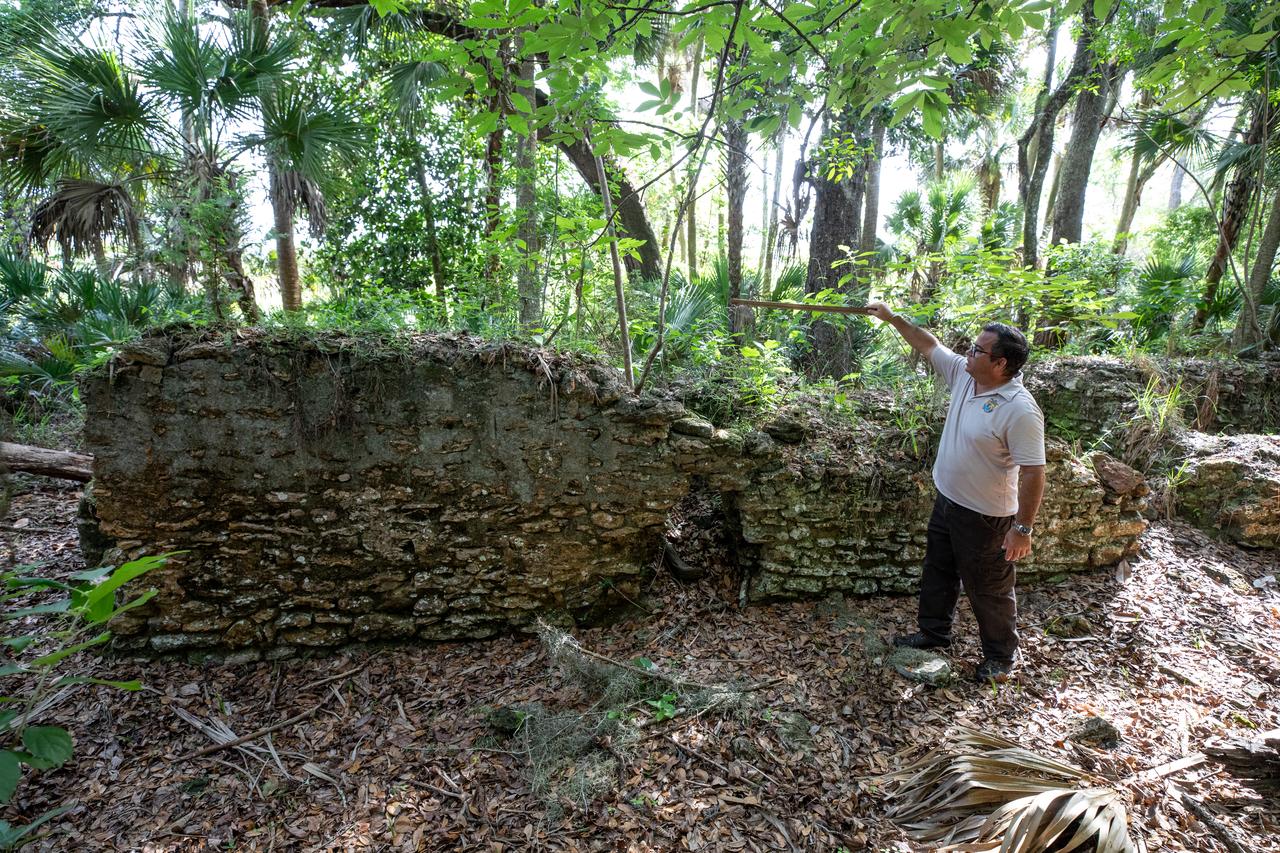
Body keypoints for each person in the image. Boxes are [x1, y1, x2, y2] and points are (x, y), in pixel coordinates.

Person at [865, 303, 1046, 682]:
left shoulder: (1020, 409)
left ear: (1000, 364)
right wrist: (890, 317)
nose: (968, 352)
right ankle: (934, 633)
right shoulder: (965, 376)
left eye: (978, 350)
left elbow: (1033, 471)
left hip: (986, 515)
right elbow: (928, 344)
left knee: (989, 587)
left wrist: (1023, 528)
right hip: (948, 499)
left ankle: (1000, 657)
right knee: (939, 571)